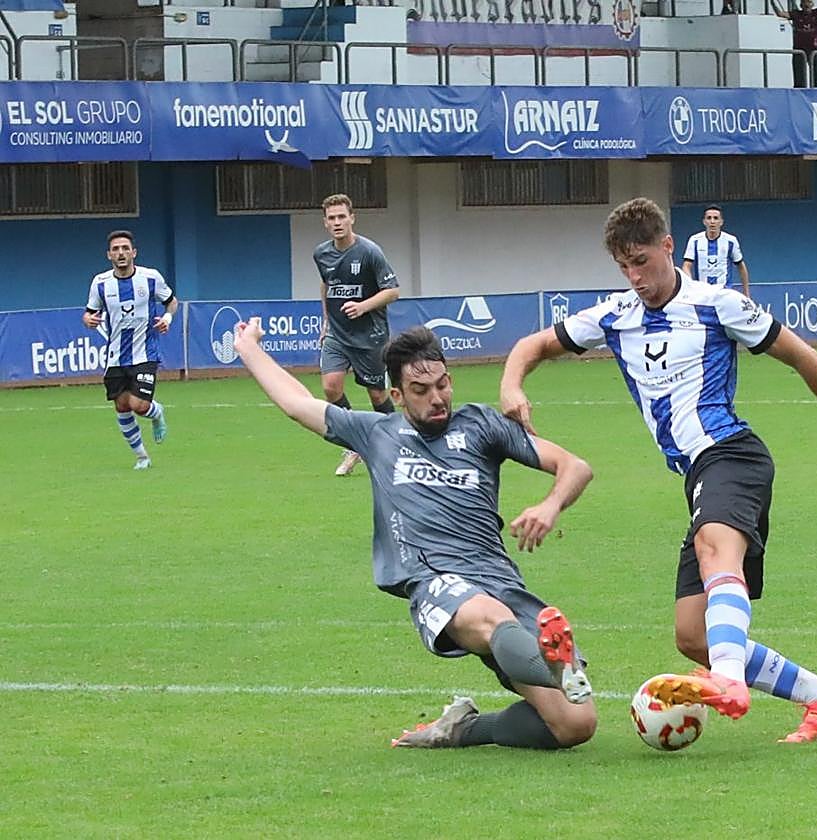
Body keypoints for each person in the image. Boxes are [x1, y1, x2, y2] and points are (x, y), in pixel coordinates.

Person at [500, 197, 817, 742]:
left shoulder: (716, 304)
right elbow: (532, 345)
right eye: (624, 267)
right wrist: (512, 386)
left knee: (712, 549)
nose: (636, 278)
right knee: (693, 633)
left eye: (642, 262)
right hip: (697, 474)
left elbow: (802, 356)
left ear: (667, 247)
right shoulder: (614, 316)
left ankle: (727, 680)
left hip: (731, 454)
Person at [233, 320, 598, 749]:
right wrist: (248, 348)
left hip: (498, 578)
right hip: (435, 580)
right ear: (397, 396)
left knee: (575, 724)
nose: (437, 398)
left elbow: (576, 467)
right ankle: (552, 665)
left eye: (442, 384)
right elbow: (297, 403)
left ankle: (462, 728)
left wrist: (549, 505)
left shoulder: (481, 426)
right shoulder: (376, 433)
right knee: (491, 619)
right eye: (421, 391)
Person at [314, 193, 402, 477]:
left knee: (377, 395)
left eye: (342, 216)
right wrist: (327, 321)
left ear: (352, 218)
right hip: (338, 335)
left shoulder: (369, 252)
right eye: (332, 218)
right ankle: (355, 445)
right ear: (325, 223)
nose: (337, 222)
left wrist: (363, 306)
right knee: (330, 387)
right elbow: (326, 285)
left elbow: (393, 291)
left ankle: (400, 443)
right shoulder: (321, 254)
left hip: (371, 335)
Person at [82, 230, 177, 470]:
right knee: (122, 406)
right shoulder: (100, 283)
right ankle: (142, 457)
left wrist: (167, 318)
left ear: (133, 252)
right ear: (109, 255)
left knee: (139, 405)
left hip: (145, 352)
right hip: (115, 356)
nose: (121, 253)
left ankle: (156, 412)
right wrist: (88, 320)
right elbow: (89, 312)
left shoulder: (151, 278)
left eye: (125, 248)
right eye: (116, 249)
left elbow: (171, 302)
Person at [681, 204, 751, 296]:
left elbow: (741, 266)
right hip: (702, 294)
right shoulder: (694, 240)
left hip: (724, 293)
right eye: (709, 218)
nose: (712, 221)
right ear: (704, 221)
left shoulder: (731, 241)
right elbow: (686, 266)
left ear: (721, 222)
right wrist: (691, 286)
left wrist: (746, 293)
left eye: (716, 218)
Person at [771, 0, 817, 88]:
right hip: (799, 49)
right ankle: (799, 93)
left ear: (812, 4)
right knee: (799, 78)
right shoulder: (796, 14)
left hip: (815, 49)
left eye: (809, 2)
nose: (807, 5)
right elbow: (780, 14)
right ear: (801, 5)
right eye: (805, 3)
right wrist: (773, 3)